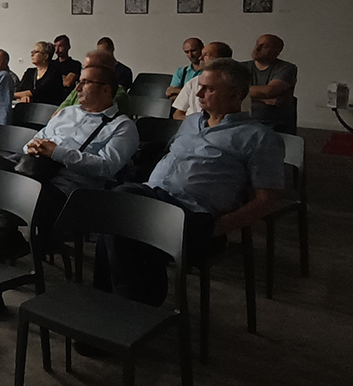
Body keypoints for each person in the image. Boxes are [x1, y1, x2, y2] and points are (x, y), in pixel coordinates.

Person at [97, 58, 285, 307]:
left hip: (193, 216)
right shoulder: (191, 122)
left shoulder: (258, 138)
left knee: (120, 214)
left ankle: (122, 310)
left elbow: (266, 200)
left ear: (235, 94)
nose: (198, 94)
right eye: (200, 87)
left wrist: (218, 227)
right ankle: (125, 307)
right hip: (153, 198)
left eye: (209, 89)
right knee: (114, 214)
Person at [0, 65, 139, 261]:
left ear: (106, 89)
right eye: (78, 82)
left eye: (85, 82)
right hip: (31, 171)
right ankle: (7, 234)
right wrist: (32, 147)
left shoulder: (122, 127)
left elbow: (107, 167)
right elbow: (36, 139)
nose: (77, 88)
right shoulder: (67, 112)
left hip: (65, 190)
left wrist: (57, 153)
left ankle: (4, 235)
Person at [244, 34, 298, 134]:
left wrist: (241, 94)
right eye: (257, 44)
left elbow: (270, 91)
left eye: (264, 46)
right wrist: (262, 99)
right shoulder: (241, 67)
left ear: (277, 51)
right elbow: (227, 91)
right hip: (244, 122)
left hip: (274, 125)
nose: (257, 48)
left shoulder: (286, 68)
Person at [56, 49, 130, 115]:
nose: (84, 71)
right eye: (83, 68)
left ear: (105, 71)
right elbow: (57, 115)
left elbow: (91, 117)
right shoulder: (77, 90)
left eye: (88, 68)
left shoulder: (115, 96)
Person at [172, 41, 234, 119]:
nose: (200, 58)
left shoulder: (233, 84)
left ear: (221, 59)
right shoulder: (193, 82)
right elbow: (177, 114)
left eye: (206, 55)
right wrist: (196, 123)